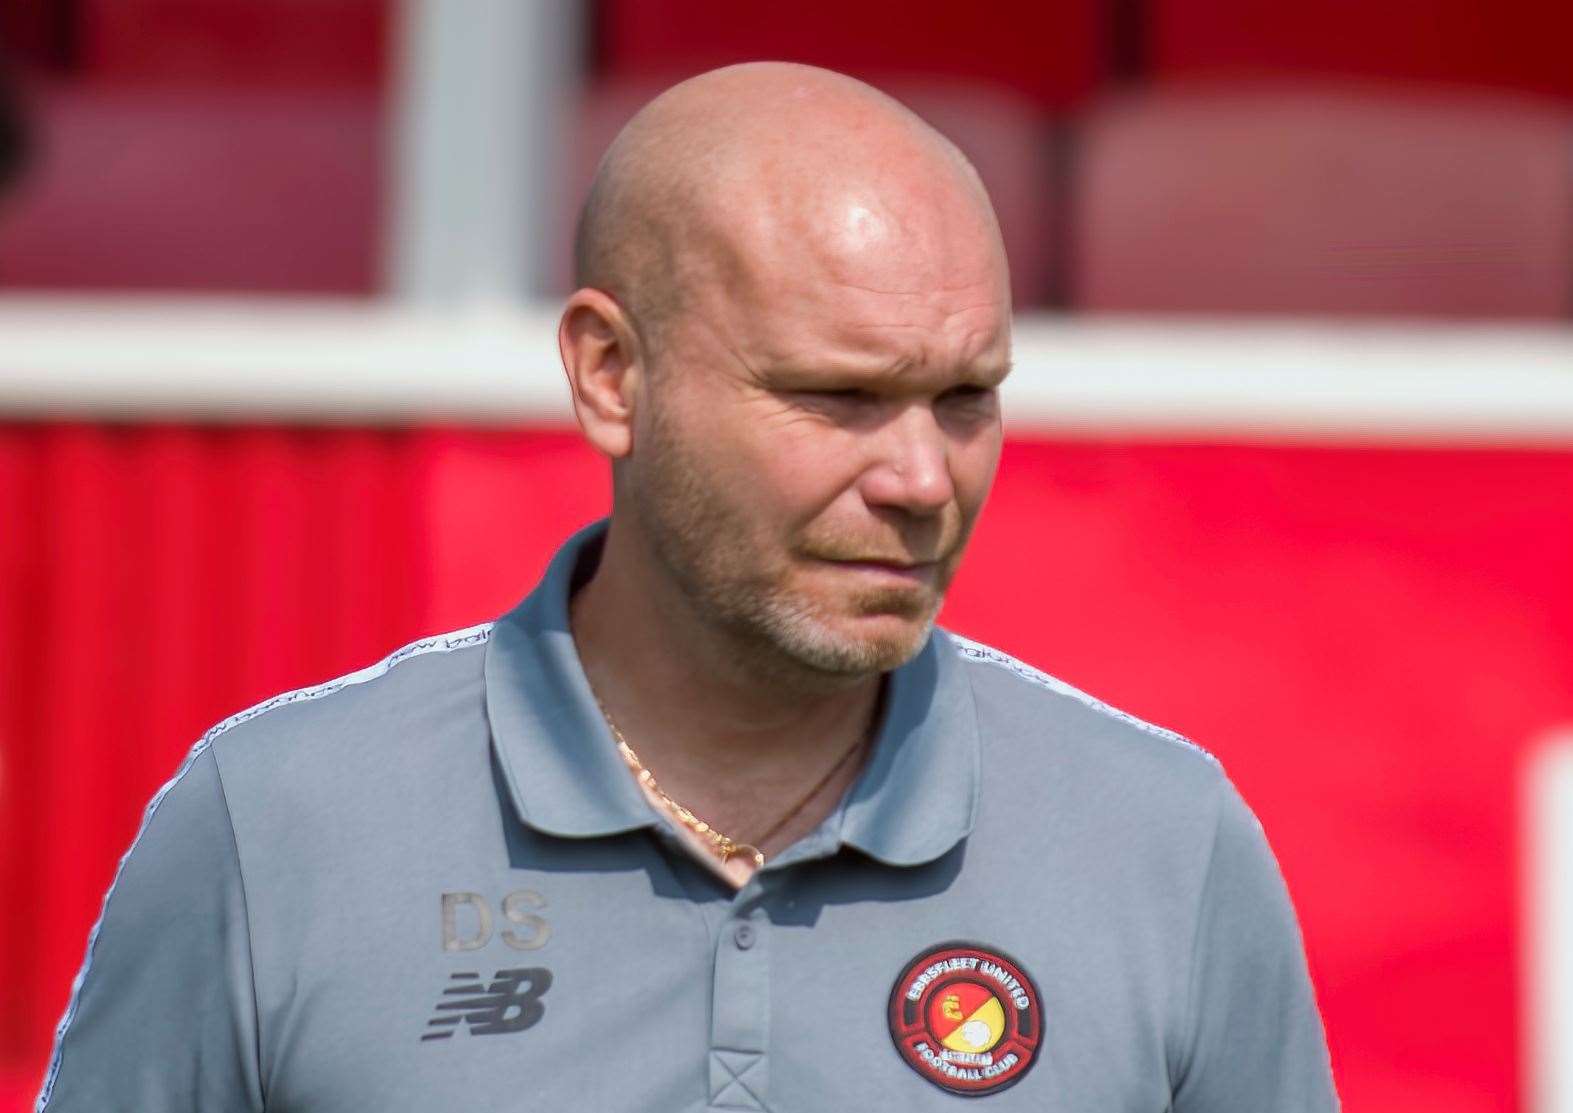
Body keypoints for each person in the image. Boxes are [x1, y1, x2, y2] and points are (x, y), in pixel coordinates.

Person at [37, 63, 1337, 1111]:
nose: (921, 477)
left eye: (964, 397)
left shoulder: (1163, 844)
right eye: (838, 395)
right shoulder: (273, 827)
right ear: (611, 373)